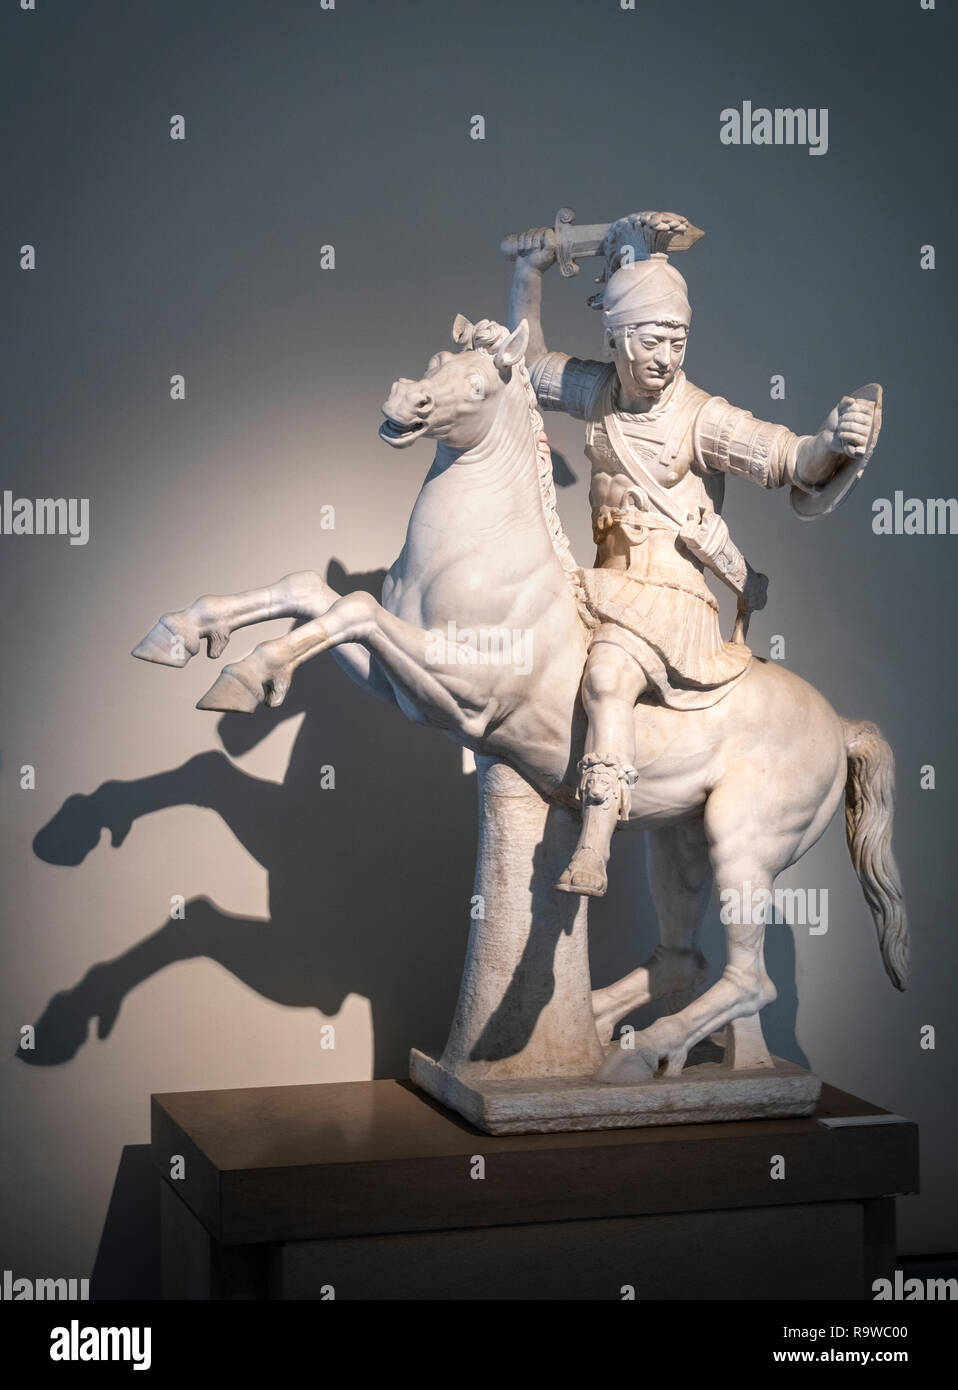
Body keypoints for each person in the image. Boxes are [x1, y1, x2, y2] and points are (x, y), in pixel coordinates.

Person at [507, 216, 877, 897]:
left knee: (610, 674)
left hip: (668, 596)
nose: (665, 357)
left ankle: (593, 845)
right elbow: (524, 368)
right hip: (595, 581)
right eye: (650, 340)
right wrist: (528, 275)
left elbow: (787, 457)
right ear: (616, 337)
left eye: (677, 341)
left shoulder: (702, 418)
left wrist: (833, 441)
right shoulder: (596, 394)